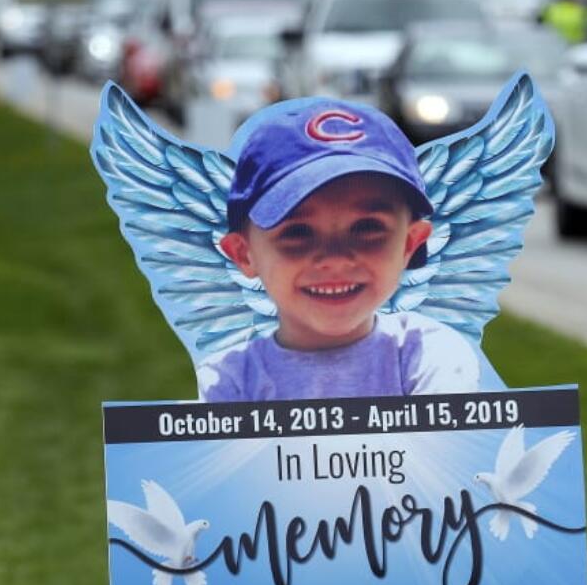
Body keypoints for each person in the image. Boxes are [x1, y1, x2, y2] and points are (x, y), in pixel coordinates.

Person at [196, 99, 481, 401]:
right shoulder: (226, 382)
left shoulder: (428, 354)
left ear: (411, 243)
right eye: (297, 232)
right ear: (243, 254)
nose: (335, 259)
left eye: (367, 228)